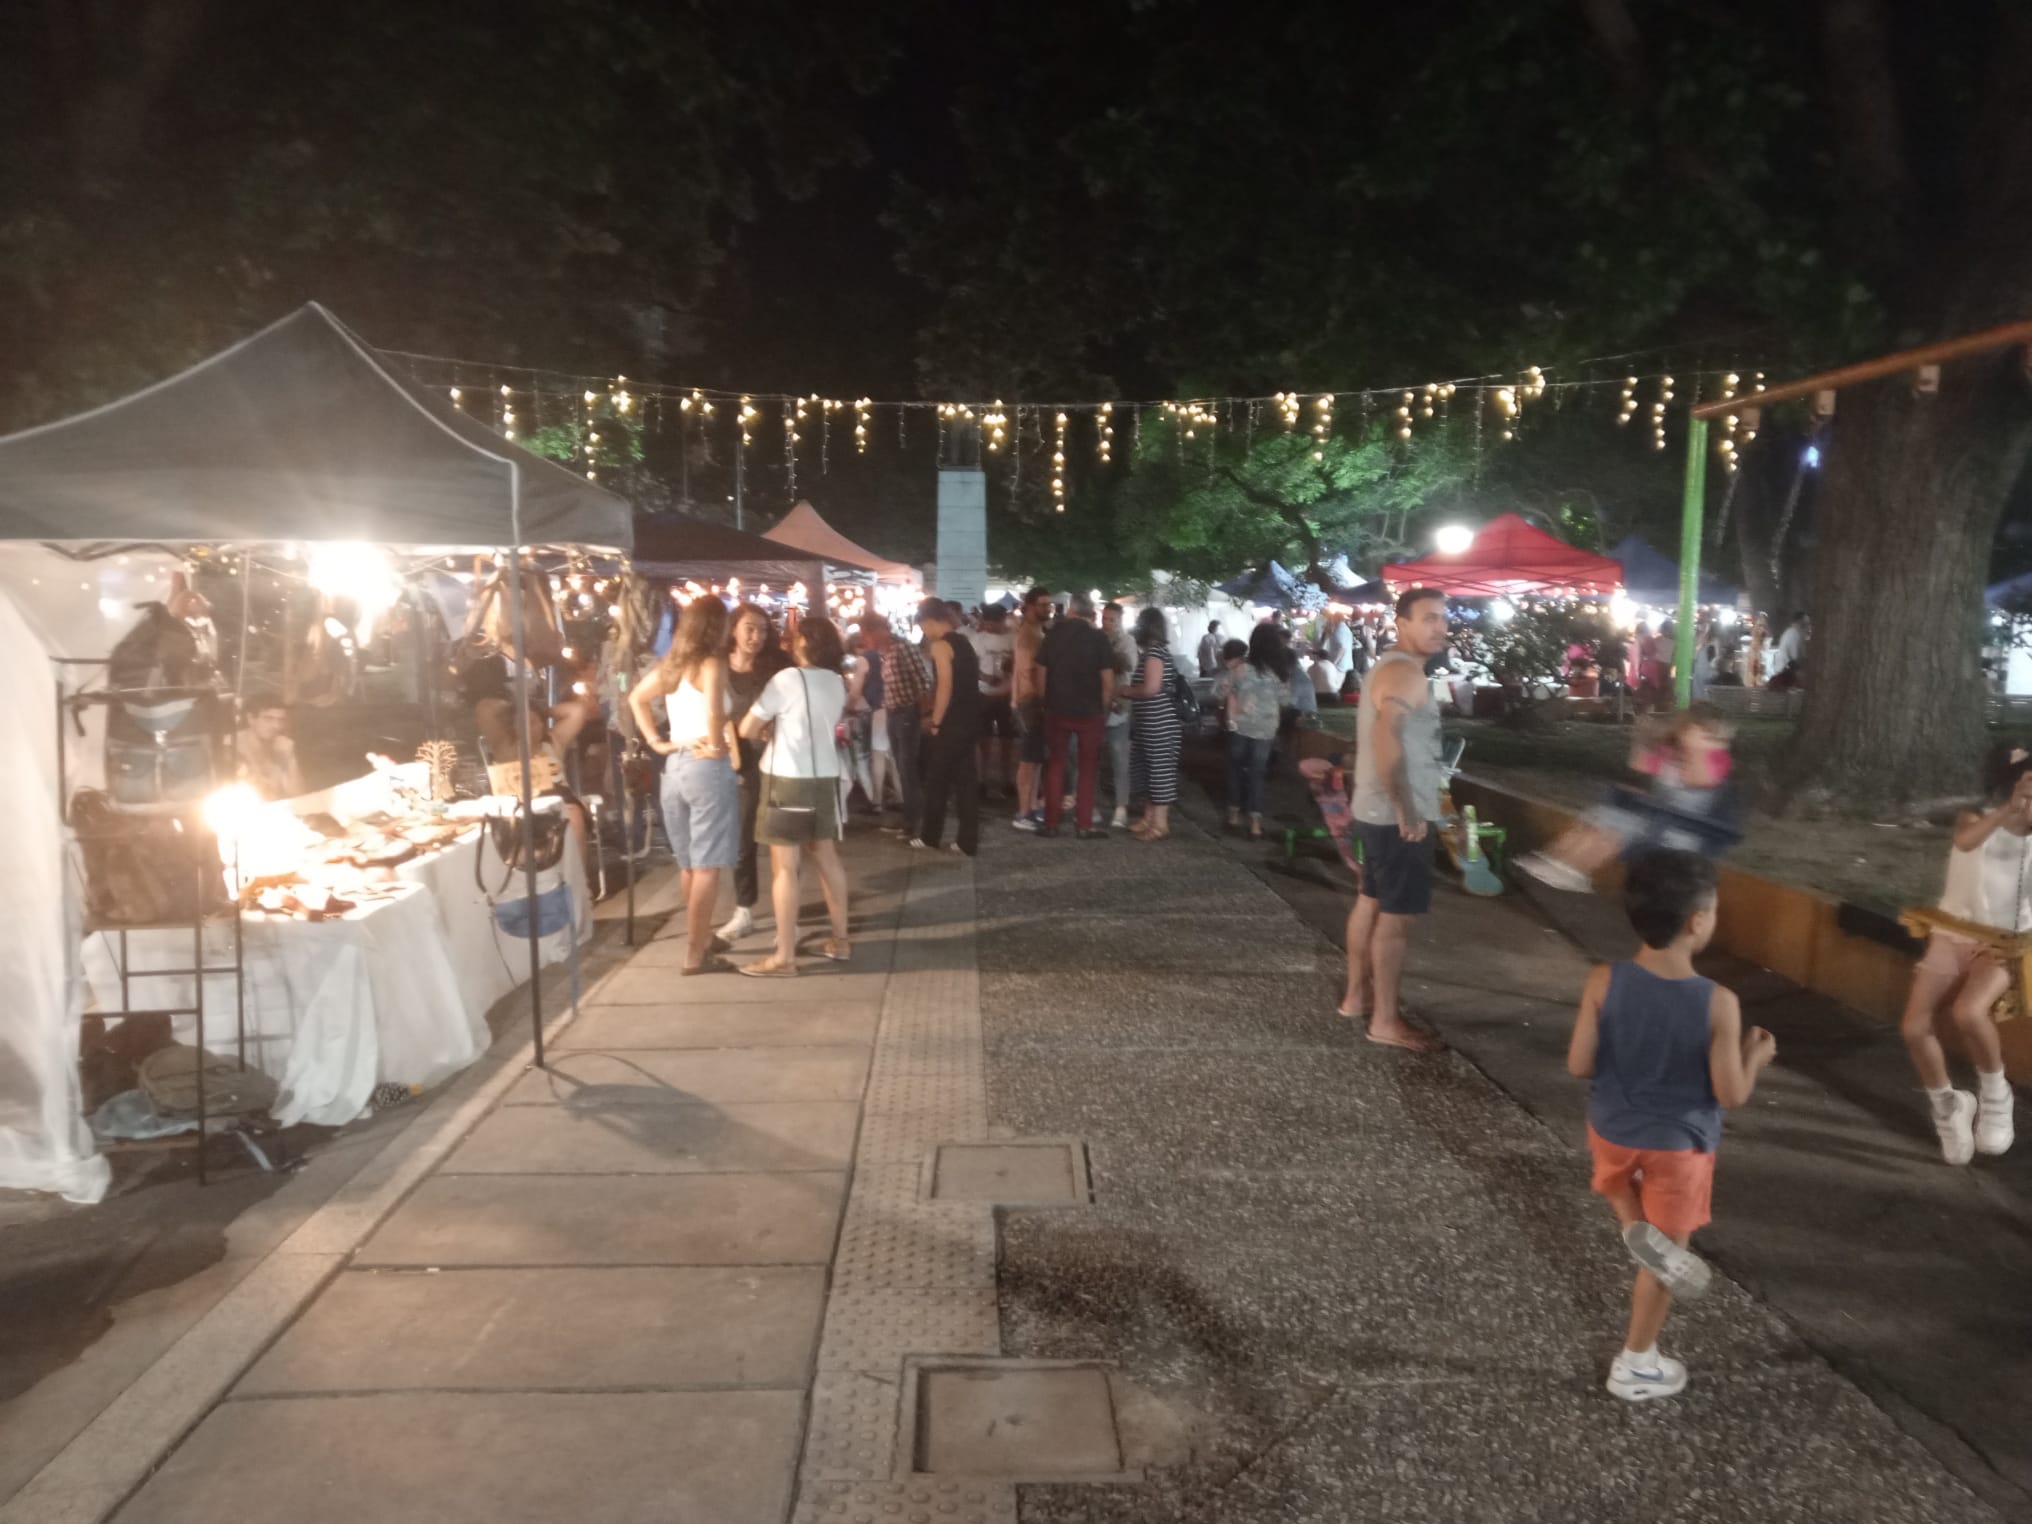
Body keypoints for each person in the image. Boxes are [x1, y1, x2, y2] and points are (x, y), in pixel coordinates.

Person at [1566, 851, 1776, 1402]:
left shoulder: (1603, 978)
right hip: (1678, 1149)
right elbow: (1732, 1093)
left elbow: (1579, 1064)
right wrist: (1755, 1055)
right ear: (1697, 921)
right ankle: (1636, 1365)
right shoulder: (1718, 1003)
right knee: (1666, 1262)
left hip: (1611, 1130)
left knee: (1616, 1178)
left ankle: (1630, 1218)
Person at [1899, 744, 2026, 1164]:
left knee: (1969, 1012)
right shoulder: (1975, 819)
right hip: (1953, 932)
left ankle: (1995, 1094)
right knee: (1914, 1027)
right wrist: (2007, 811)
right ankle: (1948, 1106)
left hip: (2006, 941)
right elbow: (1966, 842)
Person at [1339, 587, 1449, 1050]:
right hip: (1397, 815)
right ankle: (1385, 1020)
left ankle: (1355, 999)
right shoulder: (1406, 674)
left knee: (1370, 900)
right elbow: (1388, 737)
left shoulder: (1388, 666)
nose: (1440, 627)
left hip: (1374, 808)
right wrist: (1407, 806)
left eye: (1443, 618)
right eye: (1428, 618)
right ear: (1401, 623)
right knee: (1395, 919)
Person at [736, 616, 852, 977]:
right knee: (827, 859)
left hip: (787, 779)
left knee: (784, 867)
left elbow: (747, 727)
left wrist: (772, 729)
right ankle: (841, 940)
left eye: (795, 636)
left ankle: (784, 957)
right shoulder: (837, 682)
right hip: (826, 777)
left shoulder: (786, 680)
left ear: (805, 642)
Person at [1517, 705, 1738, 892]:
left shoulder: (1718, 762)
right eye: (1701, 733)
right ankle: (1554, 859)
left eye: (1712, 737)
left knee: (1616, 826)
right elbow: (1637, 779)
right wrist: (1641, 744)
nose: (1706, 742)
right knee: (1599, 817)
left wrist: (1695, 751)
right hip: (1655, 816)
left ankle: (1575, 869)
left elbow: (1697, 781)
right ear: (1683, 730)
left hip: (1684, 830)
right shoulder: (1669, 753)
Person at [629, 597, 737, 976]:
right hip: (705, 765)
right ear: (715, 627)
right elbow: (714, 709)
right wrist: (718, 742)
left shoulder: (673, 666)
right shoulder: (711, 662)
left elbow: (635, 698)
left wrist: (657, 742)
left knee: (689, 865)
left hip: (674, 767)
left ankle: (701, 941)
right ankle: (695, 954)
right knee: (707, 866)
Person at [718, 603, 791, 942]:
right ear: (733, 628)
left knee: (782, 841)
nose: (756, 636)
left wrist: (776, 725)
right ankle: (744, 909)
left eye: (762, 629)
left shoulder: (777, 668)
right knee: (742, 838)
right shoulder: (716, 668)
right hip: (736, 761)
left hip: (776, 760)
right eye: (749, 628)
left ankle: (786, 917)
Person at [1036, 592, 1117, 838]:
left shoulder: (1052, 636)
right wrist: (1103, 707)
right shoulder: (1099, 638)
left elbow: (1040, 673)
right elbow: (1107, 679)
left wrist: (1044, 701)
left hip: (1057, 708)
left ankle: (1051, 823)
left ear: (1071, 610)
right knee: (1088, 767)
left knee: (1056, 765)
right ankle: (1084, 825)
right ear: (1089, 613)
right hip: (1089, 711)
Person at [914, 599, 982, 856]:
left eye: (923, 627)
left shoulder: (941, 646)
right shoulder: (964, 642)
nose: (924, 632)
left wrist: (936, 722)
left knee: (936, 780)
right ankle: (967, 841)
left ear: (930, 621)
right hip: (970, 718)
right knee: (966, 781)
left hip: (951, 722)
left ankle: (930, 836)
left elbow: (944, 686)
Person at [1219, 625, 1289, 839]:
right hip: (1266, 729)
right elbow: (1286, 700)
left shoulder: (1240, 668)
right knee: (1257, 774)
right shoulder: (1280, 672)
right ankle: (1255, 824)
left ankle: (1233, 816)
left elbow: (1225, 691)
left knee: (1236, 769)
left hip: (1240, 725)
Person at [1120, 607, 1183, 840]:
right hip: (1150, 723)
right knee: (1146, 769)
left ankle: (1160, 823)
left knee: (1159, 771)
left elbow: (1151, 688)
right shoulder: (1153, 652)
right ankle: (1148, 817)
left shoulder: (1155, 653)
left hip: (1160, 723)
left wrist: (1126, 691)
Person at [863, 614, 930, 836]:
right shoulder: (885, 653)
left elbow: (924, 682)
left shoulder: (903, 648)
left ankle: (915, 822)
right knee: (902, 768)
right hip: (894, 713)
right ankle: (910, 818)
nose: (865, 640)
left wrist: (925, 714)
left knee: (907, 768)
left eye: (867, 634)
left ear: (878, 630)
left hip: (907, 713)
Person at [1010, 586, 1053, 831]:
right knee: (1029, 760)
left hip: (1030, 701)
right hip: (1029, 702)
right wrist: (1041, 699)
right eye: (1043, 605)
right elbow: (1032, 674)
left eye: (1049, 604)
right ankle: (1024, 812)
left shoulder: (1035, 632)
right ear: (1029, 607)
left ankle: (1031, 807)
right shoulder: (1029, 636)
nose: (1047, 609)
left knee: (1035, 759)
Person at [1101, 602, 1138, 830]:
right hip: (1097, 705)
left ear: (1120, 621)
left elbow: (1127, 667)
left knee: (1119, 756)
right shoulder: (1097, 638)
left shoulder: (1128, 642)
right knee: (1090, 756)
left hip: (1118, 706)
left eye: (1111, 619)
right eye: (1104, 618)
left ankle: (1121, 806)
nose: (1107, 623)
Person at [973, 604, 1016, 801]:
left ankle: (1007, 780)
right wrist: (985, 677)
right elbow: (971, 665)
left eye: (992, 624)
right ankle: (982, 780)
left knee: (1007, 740)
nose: (988, 628)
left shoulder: (1013, 638)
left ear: (1002, 620)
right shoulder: (978, 639)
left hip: (1008, 694)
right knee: (983, 739)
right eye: (986, 623)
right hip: (983, 694)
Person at [238, 694, 305, 801]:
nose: (276, 726)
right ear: (250, 719)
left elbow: (299, 795)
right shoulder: (231, 747)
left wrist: (291, 758)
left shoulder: (282, 747)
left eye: (281, 720)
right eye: (268, 719)